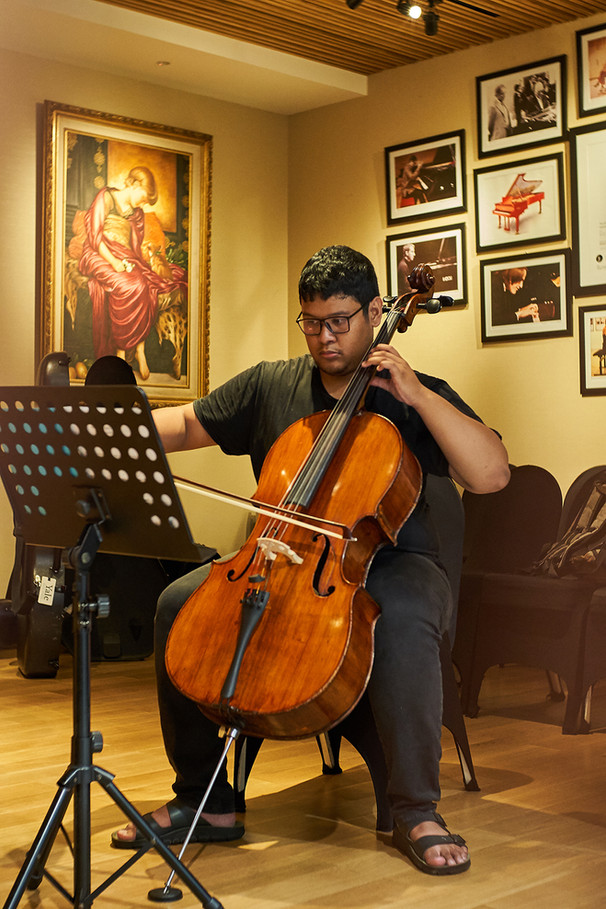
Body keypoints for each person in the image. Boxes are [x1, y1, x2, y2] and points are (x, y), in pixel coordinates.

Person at [111, 245, 510, 875]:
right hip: (285, 557)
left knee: (399, 615)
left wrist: (418, 393)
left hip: (394, 558)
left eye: (340, 322)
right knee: (176, 603)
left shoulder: (413, 393)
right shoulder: (273, 383)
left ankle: (416, 807)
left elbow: (490, 474)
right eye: (312, 322)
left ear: (376, 311)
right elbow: (188, 424)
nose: (324, 337)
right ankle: (206, 799)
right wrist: (113, 429)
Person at [78, 165, 187, 381]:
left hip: (124, 255)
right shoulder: (107, 197)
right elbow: (95, 237)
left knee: (149, 283)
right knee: (131, 286)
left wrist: (136, 262)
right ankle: (121, 351)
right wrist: (114, 262)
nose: (143, 203)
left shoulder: (136, 214)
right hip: (99, 254)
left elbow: (133, 247)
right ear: (134, 184)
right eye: (143, 197)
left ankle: (139, 350)